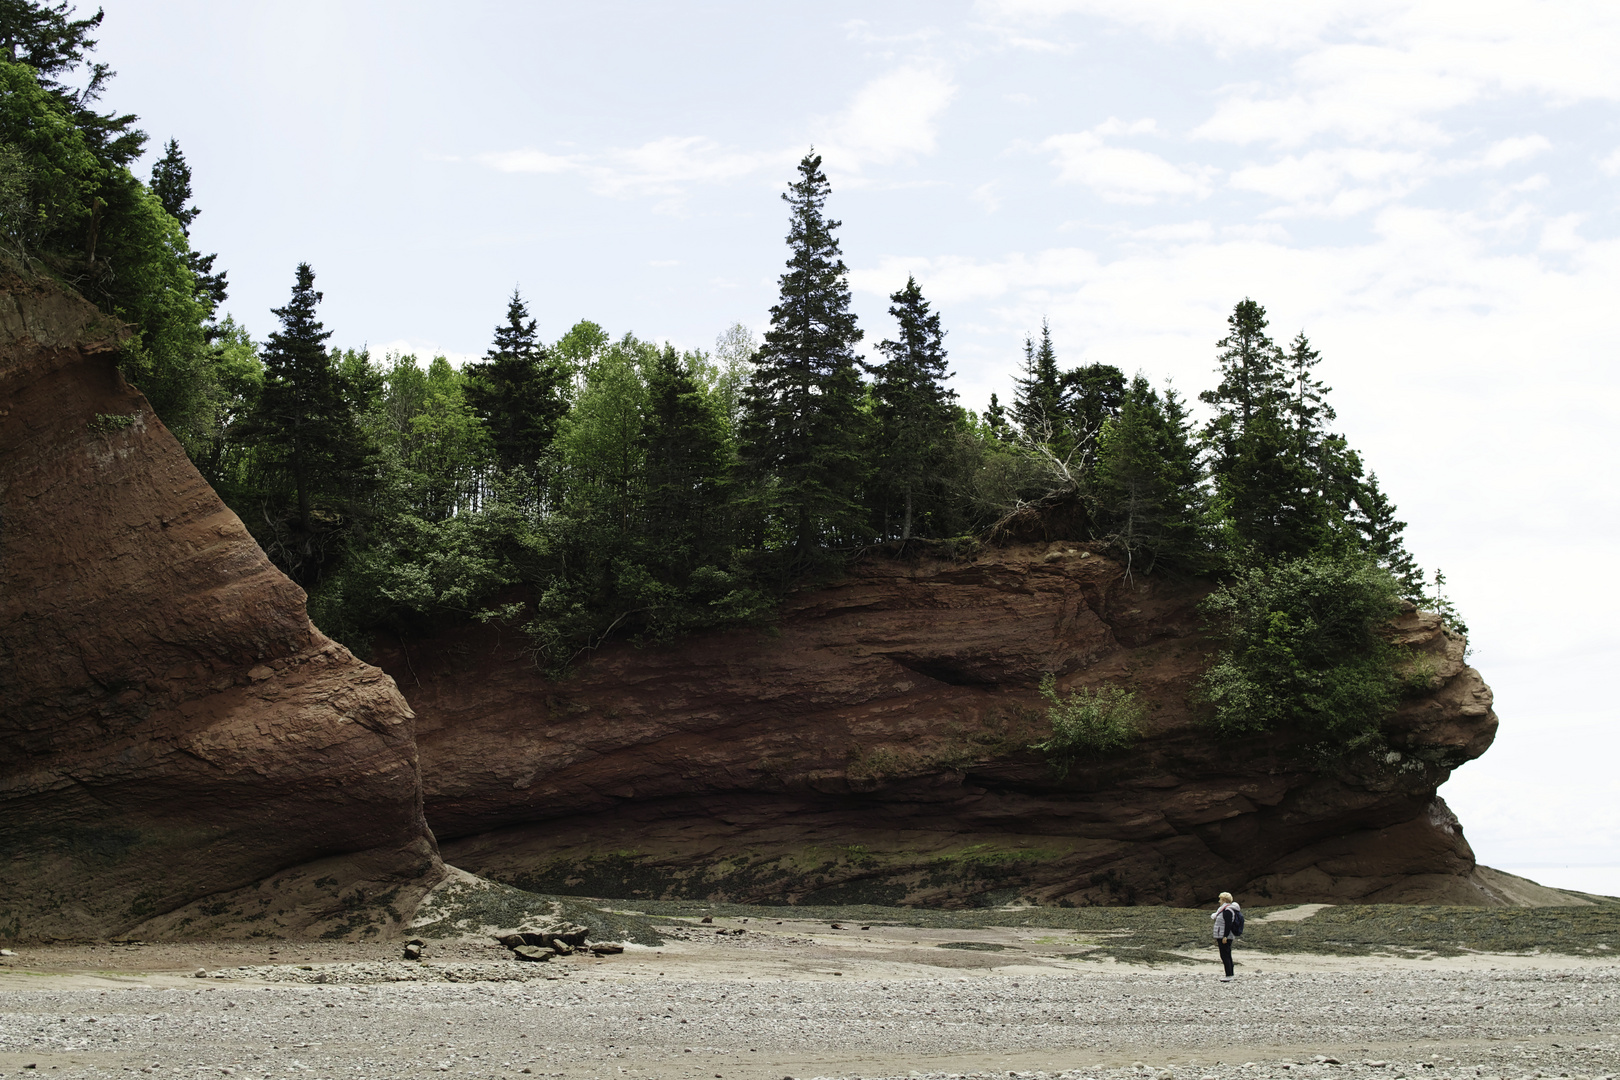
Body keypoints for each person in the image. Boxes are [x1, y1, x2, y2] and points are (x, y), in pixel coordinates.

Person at [1211, 891, 1241, 981]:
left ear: (1224, 900)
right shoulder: (1223, 910)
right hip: (1222, 935)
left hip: (1224, 936)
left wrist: (1225, 936)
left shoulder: (1227, 910)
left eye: (1220, 899)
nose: (1219, 901)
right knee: (1226, 954)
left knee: (1225, 955)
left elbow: (1228, 924)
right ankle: (1229, 974)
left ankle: (1229, 975)